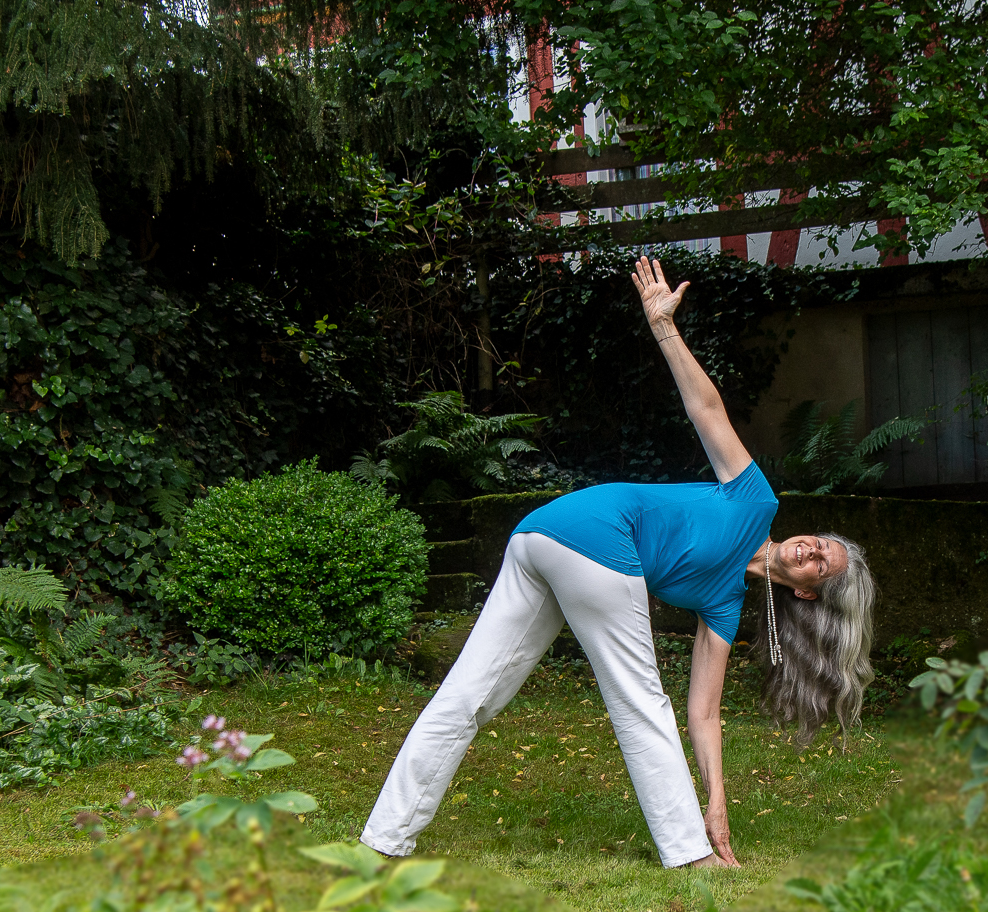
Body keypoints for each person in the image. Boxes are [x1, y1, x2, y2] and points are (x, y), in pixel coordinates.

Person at [362, 256, 877, 868]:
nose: (812, 549)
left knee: (470, 696)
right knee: (638, 701)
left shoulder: (724, 605)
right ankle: (689, 856)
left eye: (823, 563)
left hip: (543, 539)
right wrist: (664, 327)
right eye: (819, 540)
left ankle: (383, 842)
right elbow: (708, 412)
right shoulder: (754, 499)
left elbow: (704, 713)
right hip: (589, 535)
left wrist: (717, 801)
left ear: (810, 594)